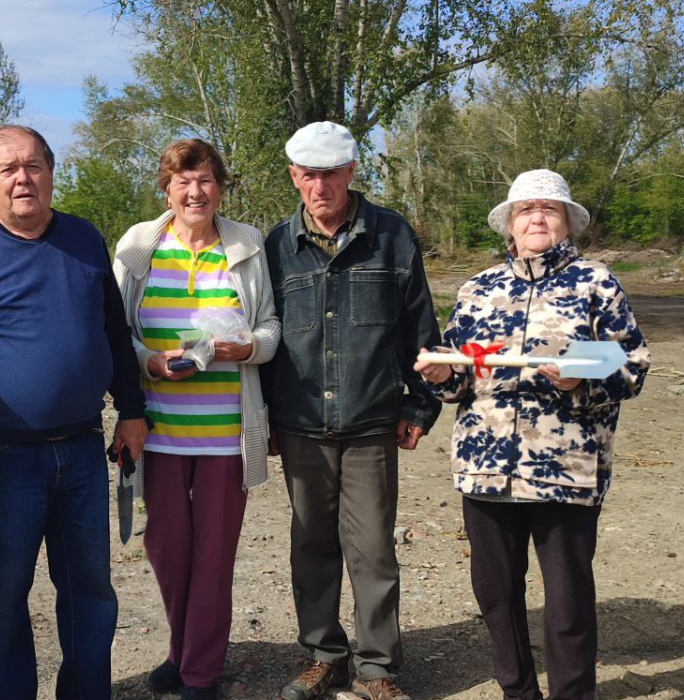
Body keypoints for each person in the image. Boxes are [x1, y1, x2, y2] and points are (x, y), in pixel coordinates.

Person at [414, 169, 650, 700]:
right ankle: (518, 691)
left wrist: (582, 377)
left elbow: (632, 365)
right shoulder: (478, 288)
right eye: (526, 209)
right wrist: (441, 375)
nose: (537, 217)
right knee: (495, 594)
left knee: (566, 602)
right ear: (510, 224)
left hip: (565, 466)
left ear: (566, 223)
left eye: (549, 209)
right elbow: (461, 373)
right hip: (484, 463)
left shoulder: (595, 282)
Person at [0, 124, 147, 700]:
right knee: (5, 595)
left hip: (81, 447)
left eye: (34, 166)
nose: (23, 179)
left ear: (52, 174)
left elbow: (113, 331)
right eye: (8, 169)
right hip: (4, 458)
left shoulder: (83, 239)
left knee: (89, 589)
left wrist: (132, 409)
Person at [261, 121, 442, 700]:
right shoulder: (274, 246)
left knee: (373, 548)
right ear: (294, 176)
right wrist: (262, 417)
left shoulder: (391, 235)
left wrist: (421, 404)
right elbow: (264, 336)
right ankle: (323, 656)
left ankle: (377, 668)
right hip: (300, 425)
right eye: (308, 175)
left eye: (330, 174)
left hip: (371, 421)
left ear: (351, 173)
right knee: (311, 543)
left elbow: (420, 325)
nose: (320, 187)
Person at [112, 139, 281, 700]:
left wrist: (247, 348)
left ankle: (200, 673)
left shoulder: (245, 244)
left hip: (225, 433)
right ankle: (182, 650)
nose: (195, 191)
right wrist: (148, 361)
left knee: (212, 557)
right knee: (166, 549)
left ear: (221, 187)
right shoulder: (139, 245)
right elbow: (117, 334)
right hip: (157, 430)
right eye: (183, 180)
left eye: (206, 179)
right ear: (166, 187)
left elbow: (272, 328)